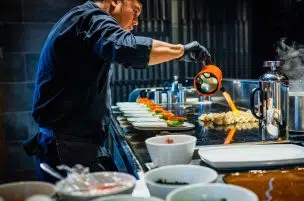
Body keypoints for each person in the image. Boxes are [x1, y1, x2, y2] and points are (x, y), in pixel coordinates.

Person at [23, 0, 211, 182]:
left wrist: (181, 52)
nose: (137, 21)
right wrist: (181, 51)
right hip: (67, 147)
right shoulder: (92, 18)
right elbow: (127, 48)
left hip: (68, 143)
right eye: (135, 11)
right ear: (114, 2)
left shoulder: (82, 19)